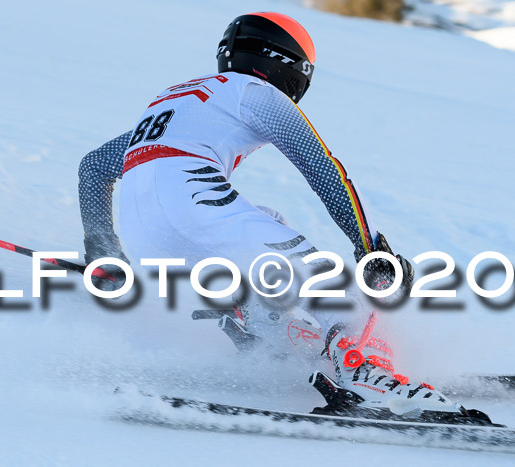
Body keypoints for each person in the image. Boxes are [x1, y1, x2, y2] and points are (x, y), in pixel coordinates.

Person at [77, 12, 458, 413]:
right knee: (341, 292)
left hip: (145, 236)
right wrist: (373, 249)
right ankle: (368, 374)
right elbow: (323, 167)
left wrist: (105, 256)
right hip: (195, 208)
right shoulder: (255, 91)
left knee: (269, 222)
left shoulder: (177, 98)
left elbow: (94, 169)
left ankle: (269, 334)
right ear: (286, 65)